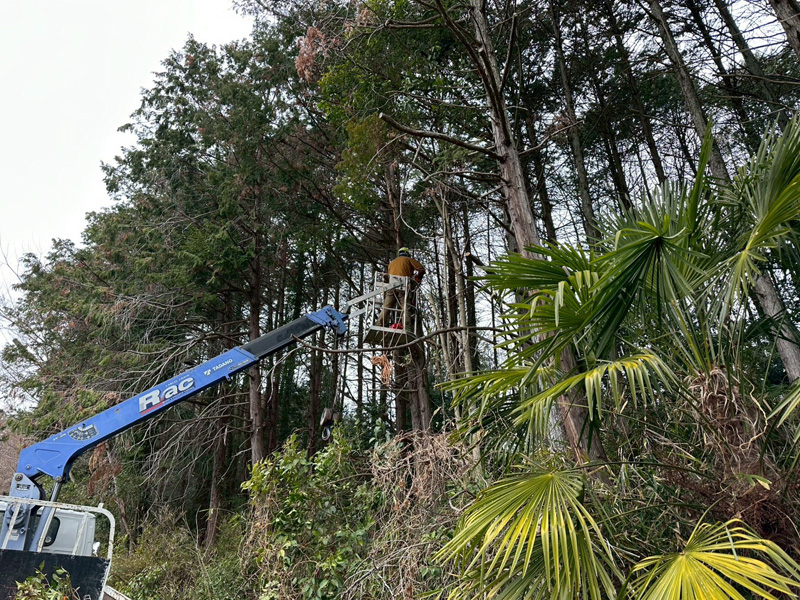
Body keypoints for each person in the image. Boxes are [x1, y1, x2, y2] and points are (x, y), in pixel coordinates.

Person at [376, 247, 425, 329]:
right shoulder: (408, 259)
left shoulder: (392, 263)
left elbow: (389, 275)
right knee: (406, 307)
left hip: (391, 287)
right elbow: (421, 269)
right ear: (407, 254)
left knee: (386, 307)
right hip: (403, 287)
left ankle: (379, 324)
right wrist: (418, 277)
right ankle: (406, 327)